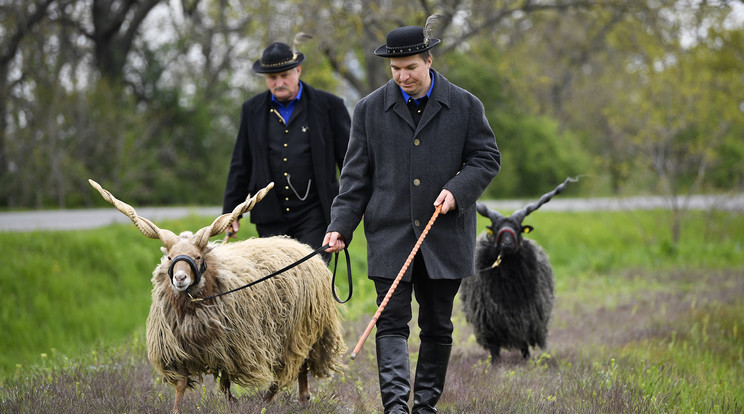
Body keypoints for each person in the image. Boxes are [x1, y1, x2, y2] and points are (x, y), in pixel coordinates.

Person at [323, 24, 501, 413]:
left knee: (437, 326)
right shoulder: (369, 109)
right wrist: (340, 226)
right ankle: (396, 408)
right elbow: (355, 178)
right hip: (389, 236)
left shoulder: (466, 105)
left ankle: (424, 407)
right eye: (396, 69)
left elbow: (487, 159)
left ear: (429, 61)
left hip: (445, 237)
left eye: (411, 68)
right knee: (390, 323)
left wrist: (458, 190)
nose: (403, 76)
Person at [223, 41, 351, 260]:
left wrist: (351, 211)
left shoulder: (329, 106)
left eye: (285, 75)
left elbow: (350, 162)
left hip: (317, 213)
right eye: (272, 78)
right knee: (276, 283)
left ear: (298, 70)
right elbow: (240, 164)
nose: (279, 82)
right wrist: (231, 213)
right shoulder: (252, 109)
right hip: (269, 214)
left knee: (310, 276)